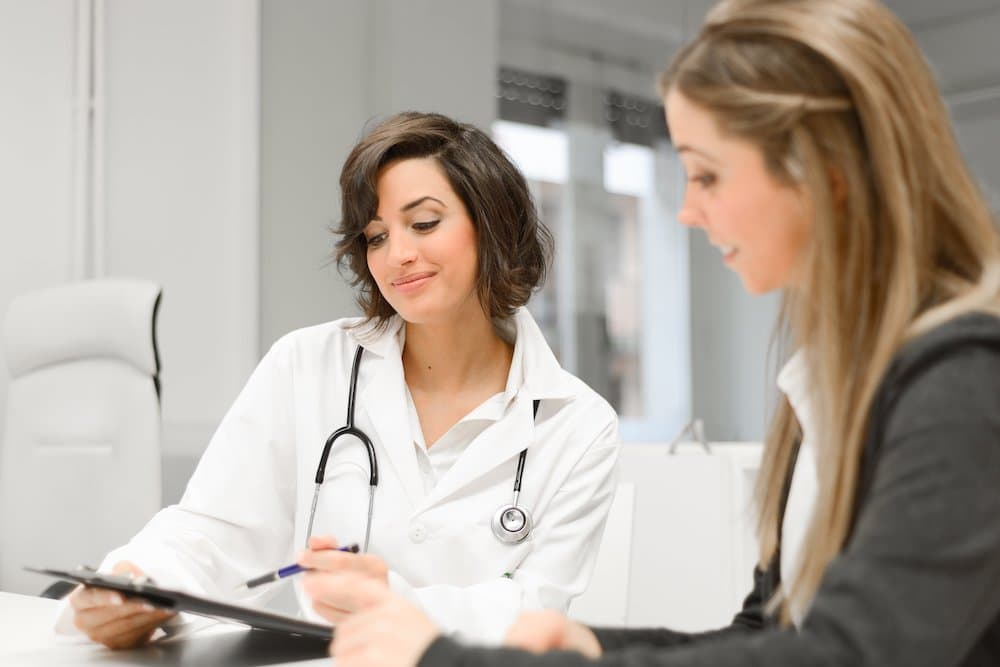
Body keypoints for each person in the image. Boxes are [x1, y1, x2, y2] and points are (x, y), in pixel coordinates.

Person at [317, 1, 1000, 665]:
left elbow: (854, 653)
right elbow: (771, 630)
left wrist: (444, 658)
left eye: (707, 174)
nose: (687, 211)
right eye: (376, 235)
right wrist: (595, 647)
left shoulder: (963, 380)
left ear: (827, 170)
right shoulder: (829, 378)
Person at [62, 111, 620, 649]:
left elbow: (536, 611)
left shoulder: (577, 424)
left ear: (493, 224)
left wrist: (390, 601)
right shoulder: (306, 364)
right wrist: (135, 586)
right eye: (376, 237)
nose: (398, 255)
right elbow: (214, 530)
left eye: (424, 224)